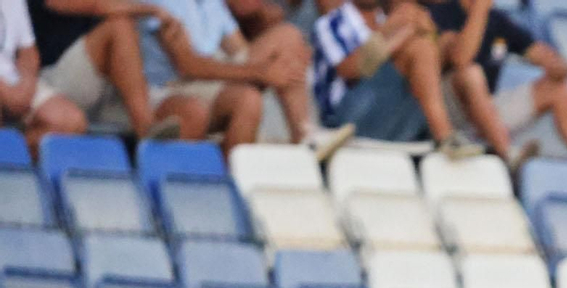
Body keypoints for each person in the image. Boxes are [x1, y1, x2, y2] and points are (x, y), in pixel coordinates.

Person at [426, 0, 567, 176]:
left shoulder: (498, 21)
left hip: (484, 109)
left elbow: (540, 53)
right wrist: (479, 10)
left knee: (558, 88)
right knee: (470, 75)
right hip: (448, 109)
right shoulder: (445, 12)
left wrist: (558, 66)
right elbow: (461, 59)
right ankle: (508, 155)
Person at [141, 0, 334, 154]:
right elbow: (188, 66)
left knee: (288, 38)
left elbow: (241, 51)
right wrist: (262, 72)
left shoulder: (211, 3)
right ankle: (231, 179)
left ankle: (304, 135)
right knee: (248, 98)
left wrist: (285, 60)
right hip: (175, 87)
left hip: (210, 79)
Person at [311, 0, 478, 156]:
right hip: (347, 122)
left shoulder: (389, 17)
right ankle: (445, 136)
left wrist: (425, 32)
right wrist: (398, 34)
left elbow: (454, 60)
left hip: (392, 116)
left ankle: (447, 137)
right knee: (418, 48)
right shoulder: (331, 22)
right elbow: (350, 70)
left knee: (438, 44)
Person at [26, 0, 202, 140]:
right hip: (56, 85)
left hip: (113, 88)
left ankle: (156, 171)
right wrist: (151, 10)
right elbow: (93, 5)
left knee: (191, 112)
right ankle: (145, 127)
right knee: (119, 26)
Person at [2, 0, 94, 148]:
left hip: (13, 78)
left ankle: (13, 155)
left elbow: (28, 51)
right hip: (4, 86)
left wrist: (26, 86)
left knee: (70, 122)